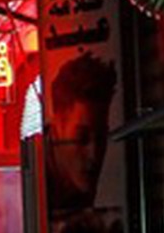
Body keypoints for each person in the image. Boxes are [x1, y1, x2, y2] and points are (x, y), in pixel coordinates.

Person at [46, 52, 118, 211]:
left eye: (101, 137)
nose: (94, 154)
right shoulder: (30, 185)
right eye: (82, 138)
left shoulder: (73, 182)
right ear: (57, 127)